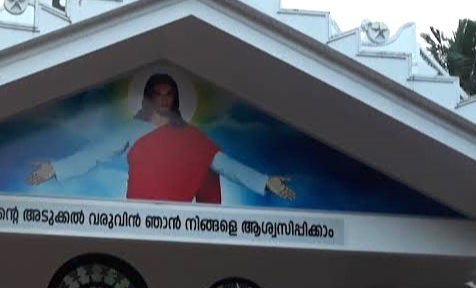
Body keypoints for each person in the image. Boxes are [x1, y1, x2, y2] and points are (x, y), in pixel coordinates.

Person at [26, 72, 296, 205]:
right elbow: (94, 153)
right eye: (158, 94)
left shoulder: (191, 137)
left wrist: (264, 181)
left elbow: (225, 165)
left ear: (175, 98)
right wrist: (56, 168)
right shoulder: (132, 130)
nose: (164, 100)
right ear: (148, 97)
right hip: (138, 219)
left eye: (169, 94)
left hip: (176, 223)